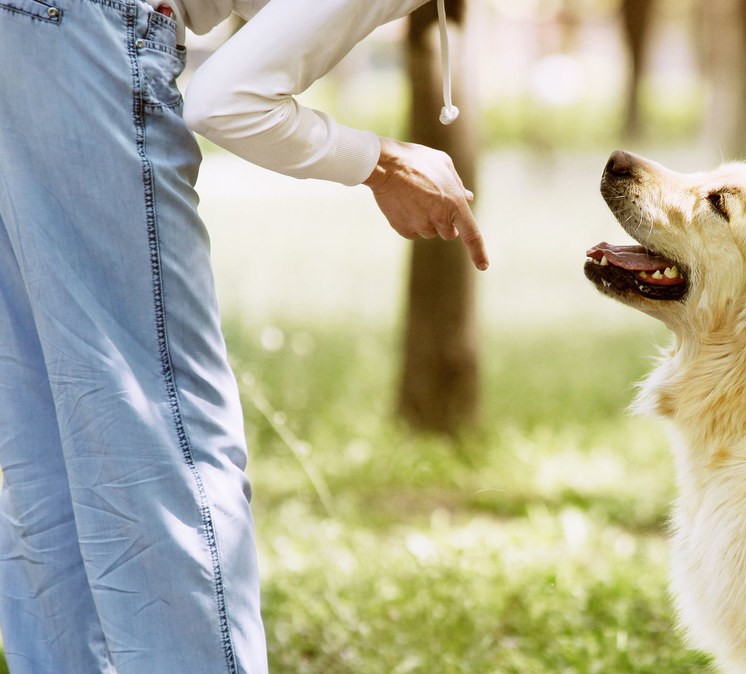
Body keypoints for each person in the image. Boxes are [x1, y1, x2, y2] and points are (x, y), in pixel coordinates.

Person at [0, 0, 482, 671]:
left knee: (45, 446)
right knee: (170, 436)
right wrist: (379, 161)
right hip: (89, 33)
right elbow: (225, 100)